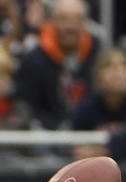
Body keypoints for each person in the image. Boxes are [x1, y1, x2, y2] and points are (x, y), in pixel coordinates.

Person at [14, 0, 98, 129]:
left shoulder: (95, 57)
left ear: (84, 23)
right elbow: (26, 108)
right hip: (44, 139)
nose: (70, 26)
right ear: (52, 21)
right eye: (63, 18)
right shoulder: (32, 60)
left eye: (77, 19)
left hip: (87, 138)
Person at [71, 47, 126, 161]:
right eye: (109, 67)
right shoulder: (85, 109)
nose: (117, 72)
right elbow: (76, 149)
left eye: (123, 66)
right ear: (98, 75)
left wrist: (109, 151)